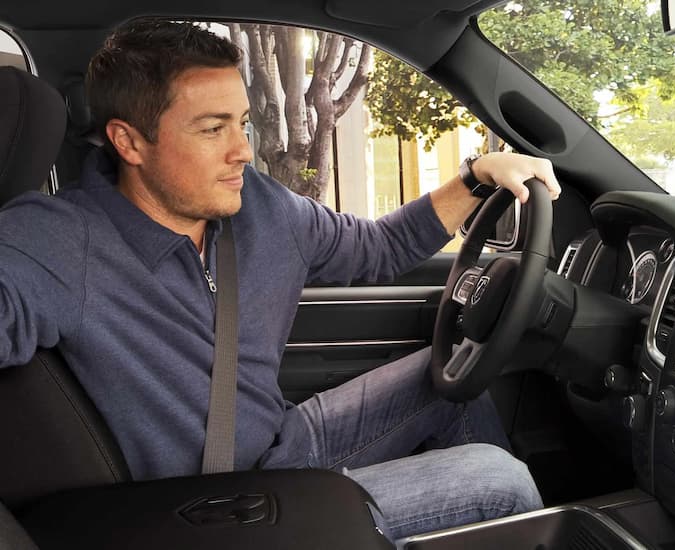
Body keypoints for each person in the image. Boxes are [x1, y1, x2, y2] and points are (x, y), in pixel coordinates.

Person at [0, 19, 561, 540]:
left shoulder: (259, 209)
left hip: (284, 441)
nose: (243, 150)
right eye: (212, 128)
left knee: (457, 375)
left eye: (242, 122)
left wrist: (477, 175)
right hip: (221, 504)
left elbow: (381, 248)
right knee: (499, 479)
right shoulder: (55, 240)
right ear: (129, 142)